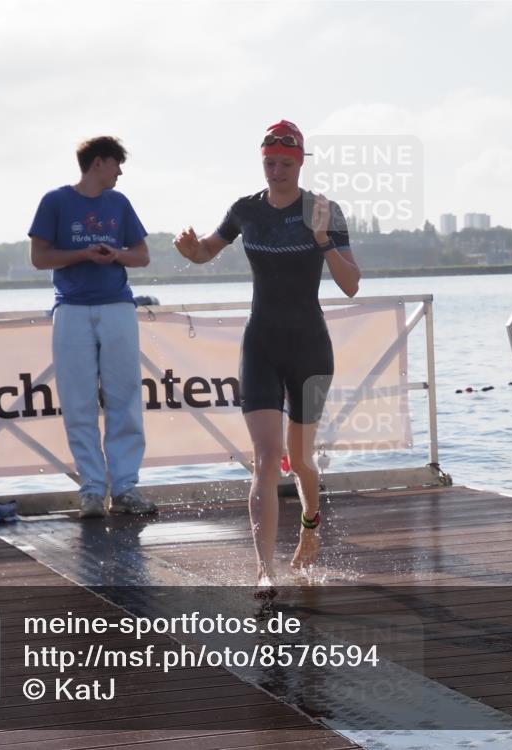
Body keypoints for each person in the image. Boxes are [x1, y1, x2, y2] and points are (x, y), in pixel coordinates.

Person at [173, 120, 361, 587]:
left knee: (299, 462)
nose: (275, 172)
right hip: (260, 345)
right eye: (269, 164)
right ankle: (265, 570)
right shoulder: (245, 210)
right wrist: (191, 250)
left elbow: (352, 284)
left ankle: (311, 527)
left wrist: (321, 241)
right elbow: (206, 253)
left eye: (284, 164)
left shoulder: (324, 210)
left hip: (310, 349)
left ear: (299, 164)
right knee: (264, 457)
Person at [28, 136, 157, 519]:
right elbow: (39, 257)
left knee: (125, 398)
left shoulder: (119, 204)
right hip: (71, 309)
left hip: (117, 306)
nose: (120, 172)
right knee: (78, 401)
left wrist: (115, 255)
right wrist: (83, 254)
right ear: (98, 163)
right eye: (117, 164)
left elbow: (143, 255)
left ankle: (125, 488)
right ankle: (91, 491)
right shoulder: (55, 201)